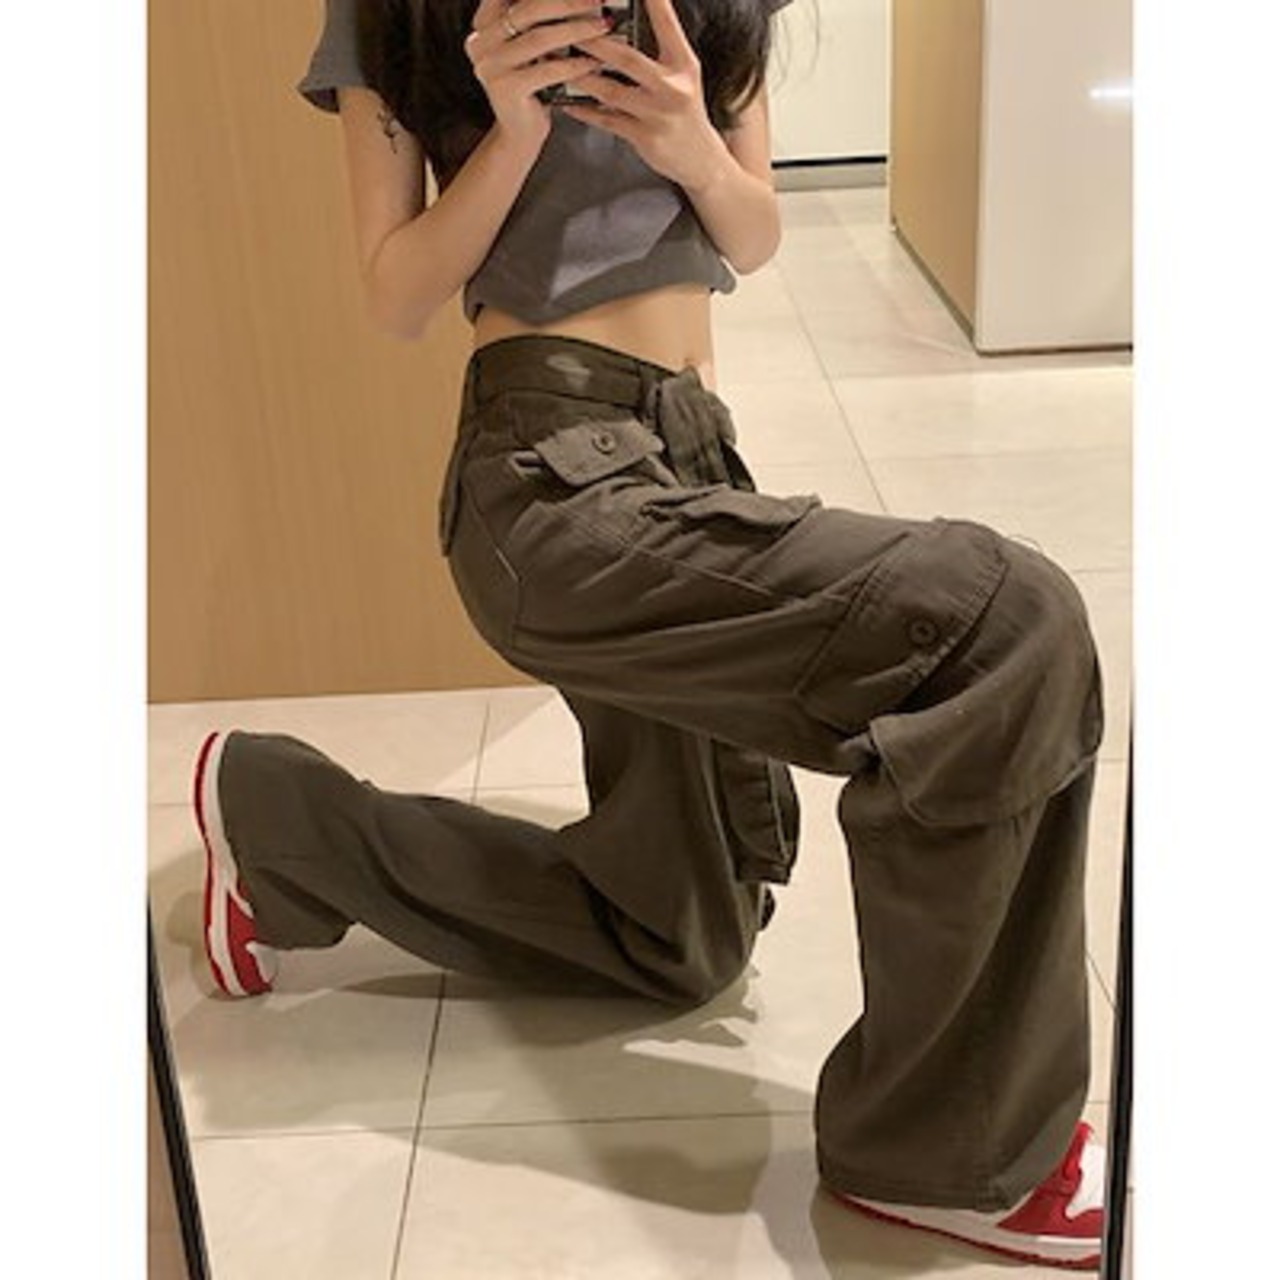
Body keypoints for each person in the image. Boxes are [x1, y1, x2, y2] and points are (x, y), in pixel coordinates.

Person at [192, 0, 1108, 1268]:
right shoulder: (396, 12)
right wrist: (509, 131)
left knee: (675, 934)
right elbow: (395, 293)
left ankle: (279, 819)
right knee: (1000, 625)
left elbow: (753, 231)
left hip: (687, 453)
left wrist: (688, 143)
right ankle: (942, 1149)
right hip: (545, 482)